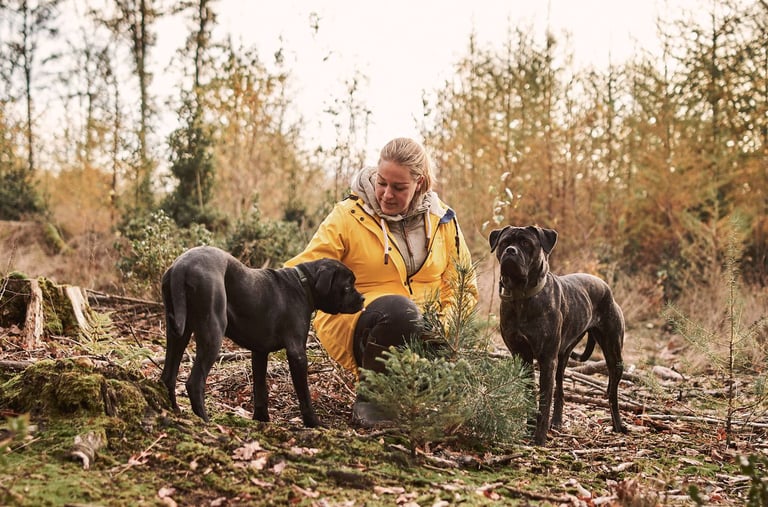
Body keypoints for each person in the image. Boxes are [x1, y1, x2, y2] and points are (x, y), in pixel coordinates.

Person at [283, 137, 478, 426]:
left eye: (399, 187)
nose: (387, 194)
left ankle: (412, 392)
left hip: (426, 331)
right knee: (399, 310)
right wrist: (261, 290)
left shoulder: (443, 220)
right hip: (361, 321)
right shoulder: (348, 216)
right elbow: (306, 267)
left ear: (420, 183)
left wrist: (443, 329)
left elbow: (463, 288)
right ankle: (370, 403)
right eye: (381, 182)